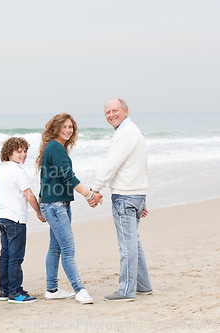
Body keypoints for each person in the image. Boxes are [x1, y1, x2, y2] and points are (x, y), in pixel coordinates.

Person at [36, 113, 102, 305]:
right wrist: (89, 195)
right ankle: (79, 289)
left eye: (70, 127)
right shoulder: (56, 148)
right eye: (64, 126)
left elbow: (45, 177)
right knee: (67, 248)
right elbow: (68, 177)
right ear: (55, 128)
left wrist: (42, 203)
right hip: (56, 205)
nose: (67, 130)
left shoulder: (53, 147)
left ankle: (52, 289)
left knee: (55, 247)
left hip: (55, 203)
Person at [92, 98, 152, 302]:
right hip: (135, 194)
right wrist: (143, 195)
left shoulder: (125, 133)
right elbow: (143, 165)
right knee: (133, 241)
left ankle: (126, 290)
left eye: (115, 110)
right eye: (107, 112)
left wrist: (95, 189)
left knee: (127, 245)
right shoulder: (132, 131)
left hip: (126, 195)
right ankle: (143, 286)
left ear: (125, 111)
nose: (111, 115)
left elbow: (111, 164)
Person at [0, 137, 46, 304]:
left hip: (2, 218)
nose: (23, 154)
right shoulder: (18, 172)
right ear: (9, 153)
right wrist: (39, 213)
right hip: (16, 220)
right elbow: (29, 195)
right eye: (19, 151)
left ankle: (4, 290)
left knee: (5, 255)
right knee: (15, 257)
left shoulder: (2, 170)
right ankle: (16, 292)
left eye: (25, 151)